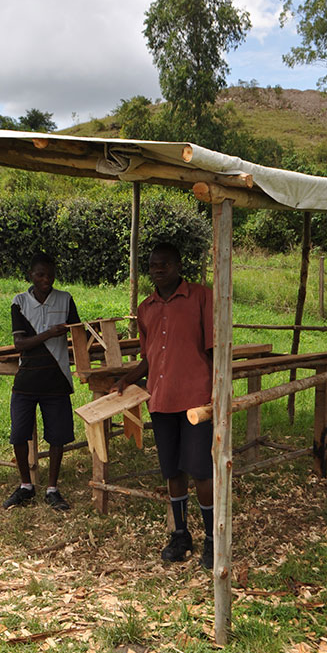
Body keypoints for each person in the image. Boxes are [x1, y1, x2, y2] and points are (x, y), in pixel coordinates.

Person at [113, 242, 215, 569]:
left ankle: (213, 539)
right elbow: (150, 356)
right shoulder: (146, 309)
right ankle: (181, 534)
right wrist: (128, 378)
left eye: (165, 265)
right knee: (172, 470)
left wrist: (219, 390)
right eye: (154, 265)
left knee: (200, 469)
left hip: (197, 399)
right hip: (161, 400)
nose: (158, 270)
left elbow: (214, 349)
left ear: (178, 265)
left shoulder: (201, 297)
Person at [3, 253, 80, 511]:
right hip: (26, 381)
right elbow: (19, 344)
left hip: (56, 379)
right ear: (31, 276)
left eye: (49, 274)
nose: (46, 279)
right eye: (40, 275)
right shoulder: (19, 302)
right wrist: (50, 333)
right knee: (19, 434)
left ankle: (52, 488)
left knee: (57, 437)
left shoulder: (65, 299)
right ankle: (26, 486)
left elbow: (78, 331)